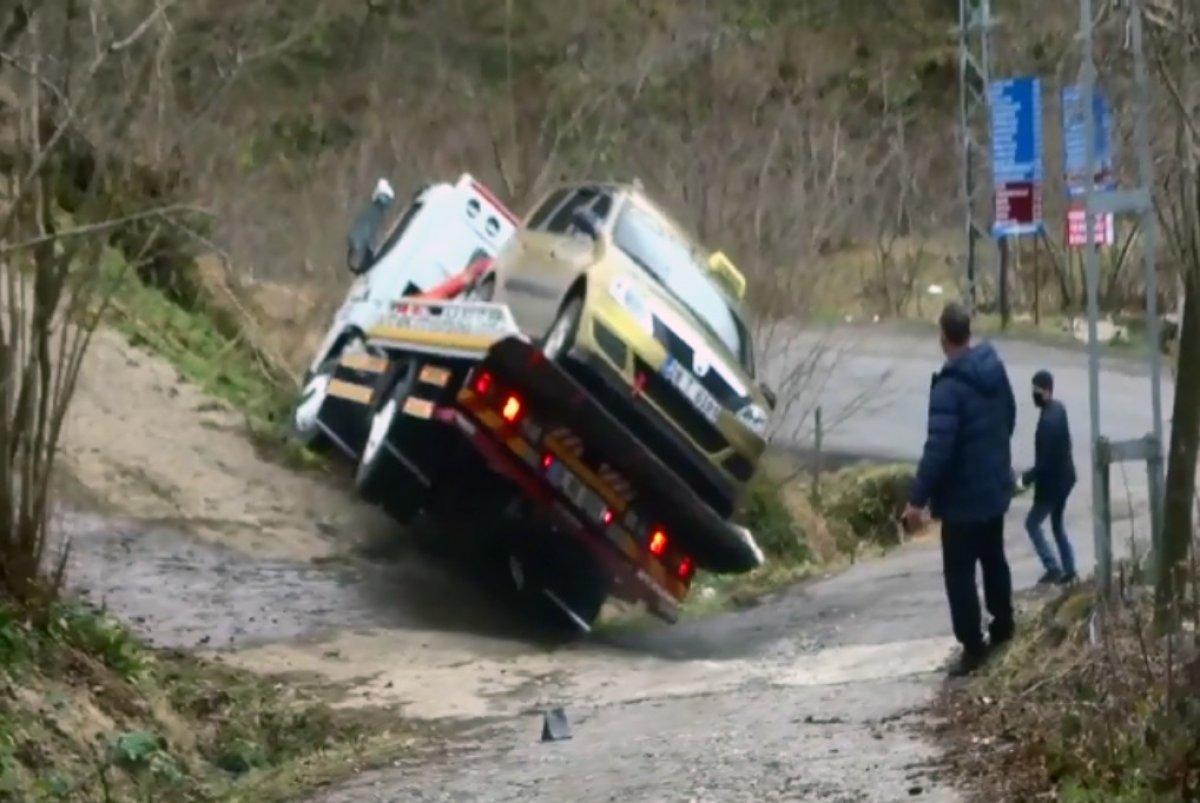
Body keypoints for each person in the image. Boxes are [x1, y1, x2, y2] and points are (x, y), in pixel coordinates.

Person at [903, 303, 1016, 676]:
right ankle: (1003, 625)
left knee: (960, 572)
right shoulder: (994, 370)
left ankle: (973, 644)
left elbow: (938, 448)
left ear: (943, 337)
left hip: (962, 501)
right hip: (993, 487)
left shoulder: (949, 388)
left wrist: (916, 500)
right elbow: (1009, 416)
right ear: (968, 332)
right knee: (994, 559)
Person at [1021, 370, 1077, 585]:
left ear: (1048, 390)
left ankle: (1052, 566)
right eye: (1033, 390)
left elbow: (1044, 463)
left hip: (1052, 485)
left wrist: (1026, 479)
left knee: (1032, 524)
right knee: (1057, 524)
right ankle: (1069, 569)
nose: (1034, 394)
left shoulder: (1047, 422)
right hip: (1065, 479)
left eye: (1037, 390)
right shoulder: (1058, 409)